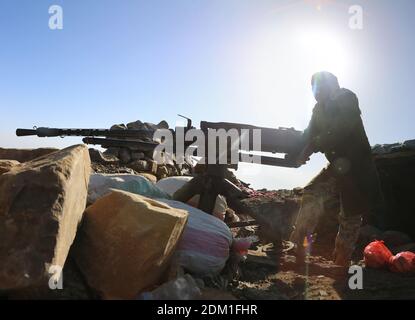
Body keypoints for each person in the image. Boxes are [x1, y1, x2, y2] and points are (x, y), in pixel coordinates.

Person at [290, 71, 385, 266]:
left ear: (331, 85)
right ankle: (298, 247)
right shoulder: (318, 110)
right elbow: (309, 133)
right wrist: (294, 150)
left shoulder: (346, 97)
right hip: (337, 166)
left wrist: (311, 146)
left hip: (358, 168)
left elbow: (341, 128)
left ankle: (341, 262)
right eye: (313, 88)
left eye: (319, 86)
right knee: (312, 194)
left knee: (349, 215)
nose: (315, 92)